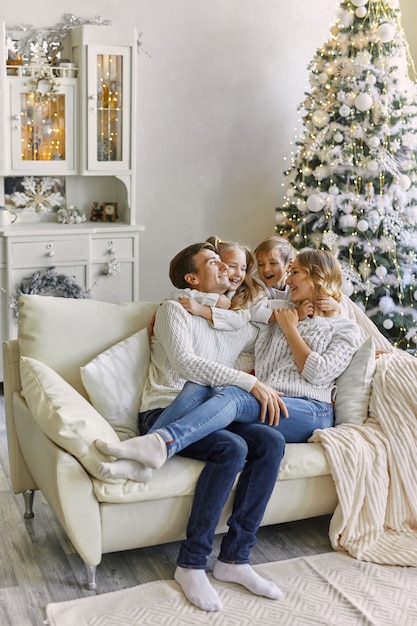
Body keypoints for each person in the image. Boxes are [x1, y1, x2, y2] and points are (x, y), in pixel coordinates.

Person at [96, 241, 287, 612]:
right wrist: (248, 383)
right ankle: (192, 563)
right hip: (165, 410)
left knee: (270, 440)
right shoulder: (173, 309)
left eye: (230, 265)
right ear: (193, 277)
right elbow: (187, 365)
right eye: (215, 262)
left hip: (215, 411)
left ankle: (235, 559)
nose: (228, 269)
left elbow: (273, 327)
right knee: (231, 446)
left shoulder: (237, 319)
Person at [96, 248, 360, 464]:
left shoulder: (342, 324)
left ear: (318, 276)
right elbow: (246, 313)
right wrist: (197, 308)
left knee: (234, 395)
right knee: (210, 388)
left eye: (295, 273)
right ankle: (152, 451)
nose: (287, 279)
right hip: (272, 402)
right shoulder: (279, 310)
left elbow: (318, 371)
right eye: (288, 272)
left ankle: (159, 444)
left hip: (312, 408)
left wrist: (293, 328)